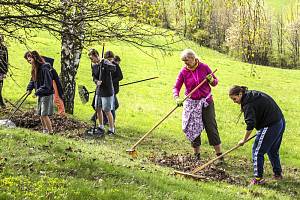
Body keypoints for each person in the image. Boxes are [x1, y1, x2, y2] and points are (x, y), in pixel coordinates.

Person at [229, 85, 285, 185]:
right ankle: (278, 174)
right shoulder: (250, 95)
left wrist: (244, 140)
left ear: (240, 94)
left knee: (257, 151)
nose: (234, 101)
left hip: (271, 124)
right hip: (279, 120)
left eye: (234, 98)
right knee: (272, 150)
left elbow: (250, 124)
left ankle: (258, 179)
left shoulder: (248, 104)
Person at [173, 49, 223, 161]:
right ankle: (196, 155)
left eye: (186, 60)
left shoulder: (204, 67)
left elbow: (215, 82)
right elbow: (176, 87)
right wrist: (177, 97)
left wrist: (211, 80)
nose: (185, 63)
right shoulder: (183, 72)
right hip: (191, 103)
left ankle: (219, 156)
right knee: (193, 127)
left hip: (206, 102)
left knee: (211, 127)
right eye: (183, 61)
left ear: (193, 58)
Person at [25, 51, 54, 134]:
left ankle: (50, 132)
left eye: (29, 58)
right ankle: (44, 130)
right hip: (40, 93)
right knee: (40, 113)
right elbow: (33, 80)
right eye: (27, 59)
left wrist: (37, 92)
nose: (28, 60)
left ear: (35, 58)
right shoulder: (35, 68)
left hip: (46, 94)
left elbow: (47, 84)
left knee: (44, 114)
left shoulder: (45, 68)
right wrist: (29, 89)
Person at [88, 49, 116, 136]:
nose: (91, 60)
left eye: (92, 58)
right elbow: (93, 76)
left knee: (107, 110)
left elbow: (113, 68)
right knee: (97, 108)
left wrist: (104, 64)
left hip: (107, 91)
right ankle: (101, 126)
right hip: (99, 90)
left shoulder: (105, 62)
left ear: (96, 55)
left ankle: (112, 129)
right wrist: (96, 81)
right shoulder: (94, 65)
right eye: (90, 59)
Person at [0, 35, 8, 108]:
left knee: (0, 87)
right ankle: (2, 104)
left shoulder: (4, 49)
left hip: (1, 71)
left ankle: (2, 104)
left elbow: (6, 60)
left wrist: (5, 72)